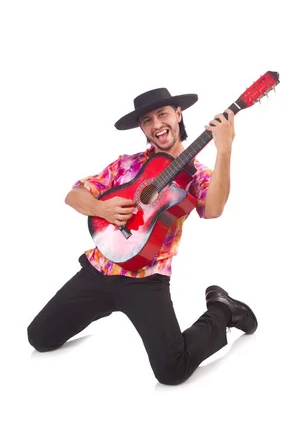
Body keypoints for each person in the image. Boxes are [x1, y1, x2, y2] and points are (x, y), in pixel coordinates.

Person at [27, 87, 258, 385]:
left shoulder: (196, 175)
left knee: (172, 372)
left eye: (162, 114)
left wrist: (224, 150)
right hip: (99, 272)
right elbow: (74, 195)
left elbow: (213, 209)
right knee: (40, 337)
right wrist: (102, 208)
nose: (156, 124)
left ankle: (223, 311)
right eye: (147, 120)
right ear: (142, 128)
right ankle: (99, 305)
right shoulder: (127, 164)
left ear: (178, 115)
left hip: (147, 282)